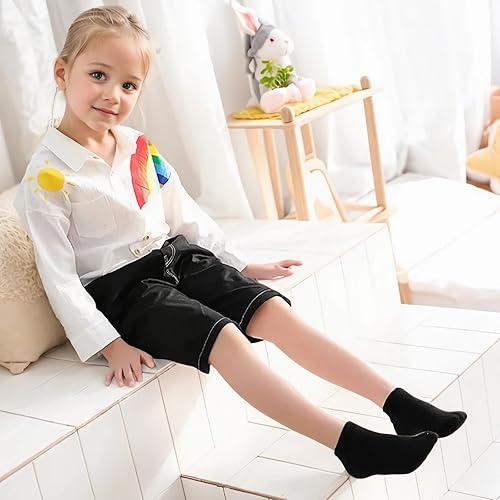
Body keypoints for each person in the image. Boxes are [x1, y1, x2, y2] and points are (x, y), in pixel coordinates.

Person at [15, 6, 466, 479]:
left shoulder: (138, 146)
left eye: (129, 85)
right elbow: (58, 277)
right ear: (62, 73)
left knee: (273, 311)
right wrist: (110, 344)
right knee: (227, 339)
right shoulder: (46, 178)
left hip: (174, 258)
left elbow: (184, 213)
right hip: (124, 292)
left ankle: (399, 404)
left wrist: (239, 265)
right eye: (98, 75)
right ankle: (351, 446)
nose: (113, 94)